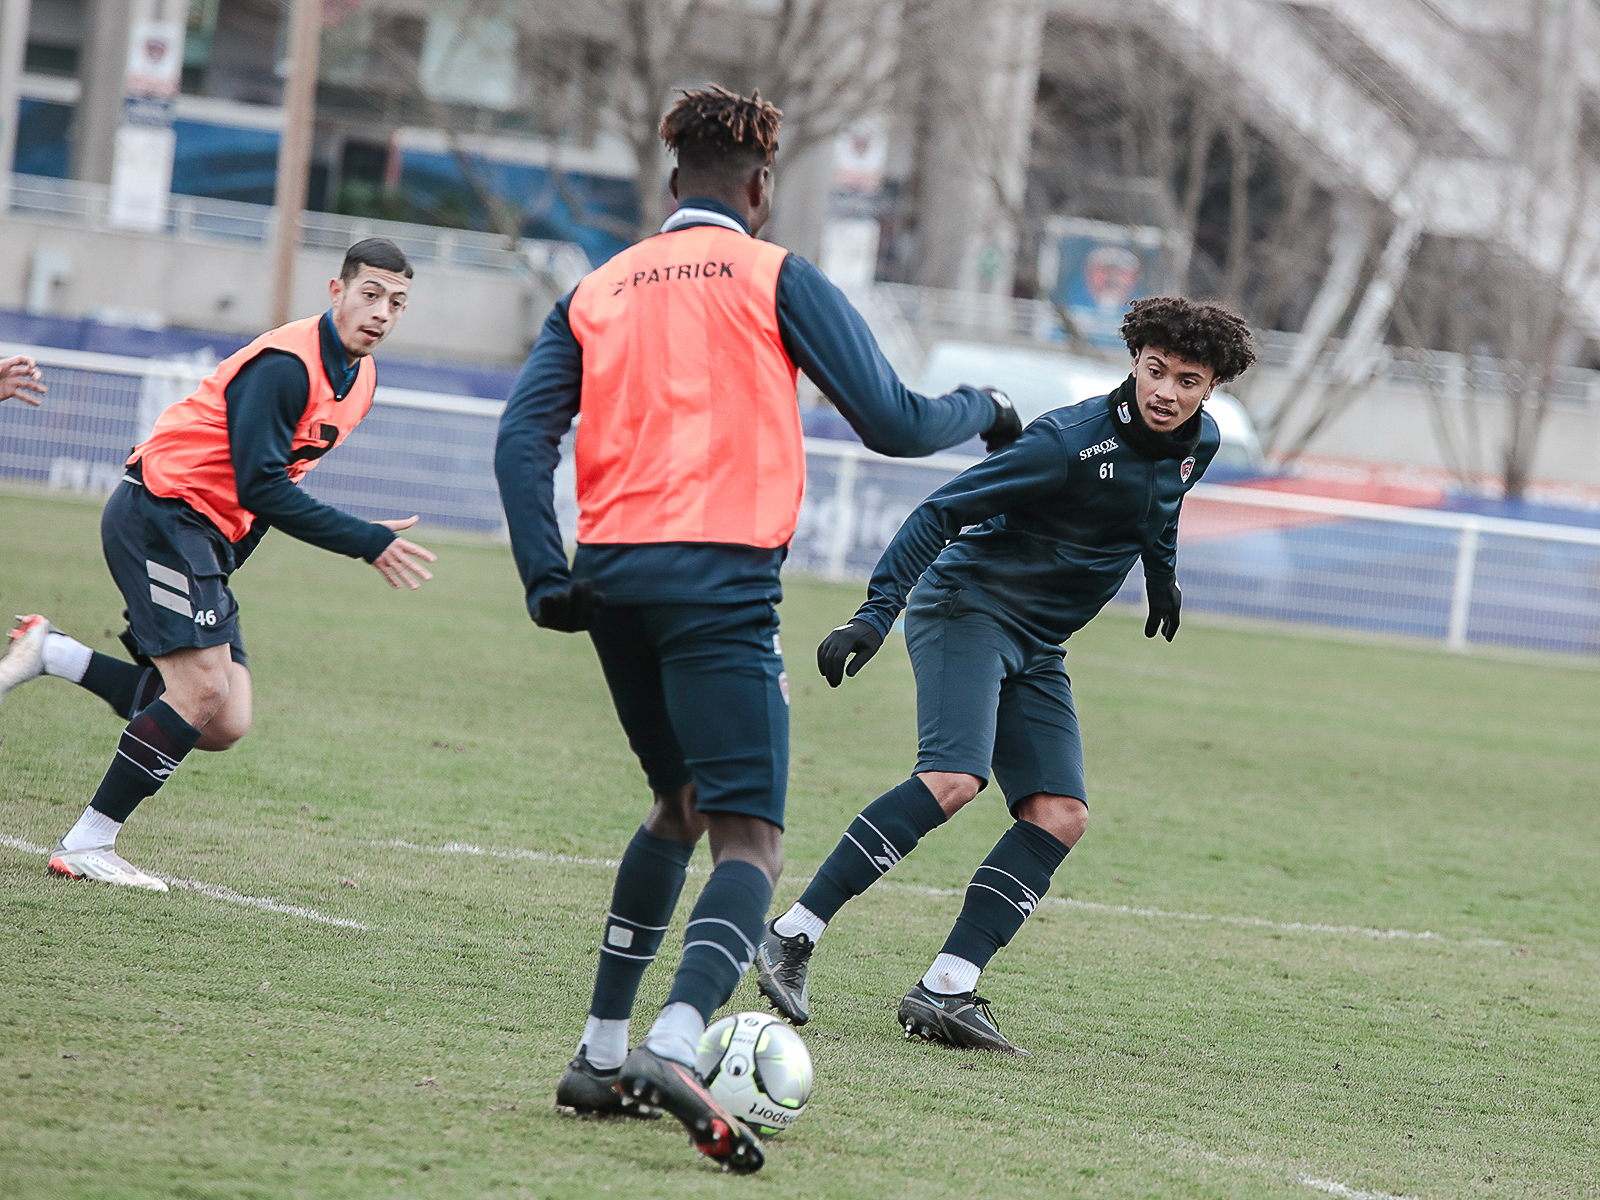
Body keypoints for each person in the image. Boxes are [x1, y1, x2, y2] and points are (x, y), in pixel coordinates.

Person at [494, 84, 1020, 1172]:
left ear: (669, 179)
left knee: (677, 806)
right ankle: (676, 1046)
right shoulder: (774, 274)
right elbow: (894, 422)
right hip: (720, 584)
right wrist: (984, 408)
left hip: (610, 583)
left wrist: (548, 577)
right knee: (751, 840)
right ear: (762, 189)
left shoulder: (597, 287)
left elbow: (519, 439)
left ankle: (598, 1055)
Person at [755, 296, 1257, 1056]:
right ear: (1134, 361)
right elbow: (938, 513)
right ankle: (789, 936)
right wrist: (874, 614)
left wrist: (1163, 576)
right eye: (1155, 370)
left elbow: (1164, 503)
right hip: (967, 608)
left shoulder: (1202, 441)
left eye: (1187, 380)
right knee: (953, 779)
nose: (1166, 391)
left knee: (1060, 814)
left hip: (1040, 642)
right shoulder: (1068, 440)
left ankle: (946, 989)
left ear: (1210, 388)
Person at [0, 238, 436, 891]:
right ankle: (88, 842)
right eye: (370, 293)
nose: (381, 312)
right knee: (202, 689)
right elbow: (264, 486)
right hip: (161, 514)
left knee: (224, 719)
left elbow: (270, 488)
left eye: (396, 302)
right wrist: (363, 539)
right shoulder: (288, 366)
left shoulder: (362, 378)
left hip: (200, 536)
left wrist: (224, 568)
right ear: (337, 291)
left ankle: (54, 653)